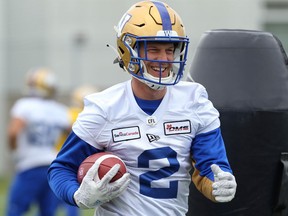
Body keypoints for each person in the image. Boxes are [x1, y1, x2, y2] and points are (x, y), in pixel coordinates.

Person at [48, 1, 237, 215]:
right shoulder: (104, 107)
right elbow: (61, 169)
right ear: (127, 50)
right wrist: (78, 195)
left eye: (169, 50)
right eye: (153, 49)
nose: (164, 59)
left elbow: (211, 166)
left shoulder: (195, 100)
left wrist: (219, 184)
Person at [6, 67, 70, 216]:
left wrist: (14, 152)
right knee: (47, 212)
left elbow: (13, 132)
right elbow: (74, 136)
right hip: (53, 166)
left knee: (15, 210)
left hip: (30, 165)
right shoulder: (60, 110)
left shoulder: (25, 106)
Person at [54, 85, 99, 216]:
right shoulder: (83, 115)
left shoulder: (68, 113)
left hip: (63, 155)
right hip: (80, 159)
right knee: (75, 194)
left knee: (65, 193)